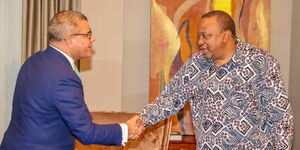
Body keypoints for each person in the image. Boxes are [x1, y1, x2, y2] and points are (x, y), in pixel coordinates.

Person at [139, 10, 293, 149]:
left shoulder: (260, 62)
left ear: (226, 36)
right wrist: (140, 120)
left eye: (206, 36)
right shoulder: (196, 65)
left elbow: (280, 116)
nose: (200, 41)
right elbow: (169, 99)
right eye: (199, 36)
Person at [0, 10, 142, 150]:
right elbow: (86, 133)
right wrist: (126, 130)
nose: (92, 39)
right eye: (88, 34)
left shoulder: (35, 60)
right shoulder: (63, 76)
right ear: (70, 40)